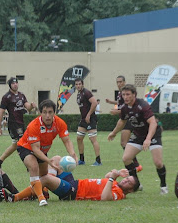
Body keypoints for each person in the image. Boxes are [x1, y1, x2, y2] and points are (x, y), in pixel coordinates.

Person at [108, 84, 168, 194]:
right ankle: (137, 184)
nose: (125, 97)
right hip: (138, 135)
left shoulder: (143, 105)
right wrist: (114, 133)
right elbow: (122, 121)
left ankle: (163, 186)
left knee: (158, 163)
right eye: (123, 95)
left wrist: (148, 139)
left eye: (128, 94)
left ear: (134, 95)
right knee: (126, 158)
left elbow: (153, 123)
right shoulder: (125, 108)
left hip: (153, 134)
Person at [16, 99, 77, 206]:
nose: (47, 115)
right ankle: (41, 198)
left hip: (42, 151)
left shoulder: (59, 123)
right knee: (34, 167)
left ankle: (37, 192)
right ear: (40, 113)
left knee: (43, 175)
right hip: (26, 147)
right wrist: (49, 161)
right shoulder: (34, 125)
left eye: (50, 112)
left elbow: (66, 140)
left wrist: (72, 154)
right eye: (44, 112)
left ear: (54, 113)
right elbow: (35, 149)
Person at [10, 155, 140, 202]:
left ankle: (16, 197)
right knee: (56, 159)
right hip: (74, 183)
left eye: (129, 182)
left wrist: (112, 178)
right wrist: (116, 173)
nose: (126, 180)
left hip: (73, 192)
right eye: (127, 178)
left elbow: (105, 198)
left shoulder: (119, 193)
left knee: (45, 179)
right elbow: (107, 176)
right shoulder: (116, 184)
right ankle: (44, 191)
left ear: (131, 191)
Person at [0, 77, 36, 168]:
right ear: (10, 85)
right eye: (13, 83)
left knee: (15, 145)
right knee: (23, 144)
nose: (15, 84)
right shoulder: (6, 97)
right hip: (13, 124)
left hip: (21, 123)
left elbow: (27, 107)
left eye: (16, 83)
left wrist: (32, 106)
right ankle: (29, 165)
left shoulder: (21, 95)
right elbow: (1, 112)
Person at [105, 76, 142, 171]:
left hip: (129, 119)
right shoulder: (120, 94)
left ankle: (136, 164)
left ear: (124, 82)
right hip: (125, 119)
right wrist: (110, 102)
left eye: (121, 82)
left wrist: (116, 111)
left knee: (124, 142)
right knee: (123, 143)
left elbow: (127, 109)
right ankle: (135, 163)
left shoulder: (127, 94)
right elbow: (120, 104)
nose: (119, 84)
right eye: (117, 82)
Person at [75, 78, 101, 166]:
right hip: (83, 120)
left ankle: (98, 161)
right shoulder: (79, 94)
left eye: (79, 84)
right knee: (79, 138)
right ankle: (81, 160)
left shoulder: (86, 92)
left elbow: (94, 103)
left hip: (90, 119)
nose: (78, 86)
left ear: (82, 84)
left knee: (93, 139)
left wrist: (88, 115)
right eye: (76, 84)